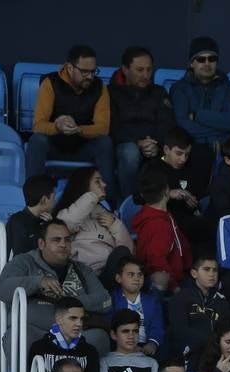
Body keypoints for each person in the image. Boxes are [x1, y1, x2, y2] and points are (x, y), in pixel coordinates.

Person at [0, 219, 110, 339]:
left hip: (75, 338)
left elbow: (105, 301)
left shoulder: (82, 270)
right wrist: (39, 282)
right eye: (56, 240)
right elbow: (3, 289)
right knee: (17, 336)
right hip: (36, 335)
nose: (63, 244)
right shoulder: (24, 261)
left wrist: (69, 300)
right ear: (41, 244)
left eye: (67, 240)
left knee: (99, 337)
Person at [26, 45, 113, 189]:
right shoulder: (50, 83)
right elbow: (38, 125)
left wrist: (78, 129)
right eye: (84, 72)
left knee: (105, 142)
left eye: (93, 71)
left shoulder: (100, 87)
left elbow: (103, 128)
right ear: (69, 68)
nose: (90, 77)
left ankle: (110, 202)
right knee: (37, 140)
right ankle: (33, 197)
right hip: (54, 146)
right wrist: (58, 126)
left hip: (84, 147)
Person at [168, 37, 230, 197]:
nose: (207, 63)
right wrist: (220, 127)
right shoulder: (180, 88)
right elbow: (183, 126)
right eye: (201, 59)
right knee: (200, 155)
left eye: (212, 59)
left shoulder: (225, 85)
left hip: (224, 144)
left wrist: (197, 115)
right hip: (195, 146)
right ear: (191, 63)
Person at [109, 46, 175, 202]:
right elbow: (111, 127)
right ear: (125, 69)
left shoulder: (159, 92)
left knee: (174, 154)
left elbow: (167, 123)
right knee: (130, 153)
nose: (146, 75)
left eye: (149, 70)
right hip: (124, 145)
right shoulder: (111, 92)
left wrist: (155, 144)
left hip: (155, 147)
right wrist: (137, 142)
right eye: (139, 70)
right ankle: (130, 204)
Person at [53, 166, 133, 277]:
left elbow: (127, 252)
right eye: (97, 181)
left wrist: (116, 225)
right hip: (79, 277)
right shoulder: (67, 213)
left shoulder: (107, 215)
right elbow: (65, 226)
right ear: (83, 184)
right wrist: (92, 196)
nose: (104, 184)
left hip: (108, 276)